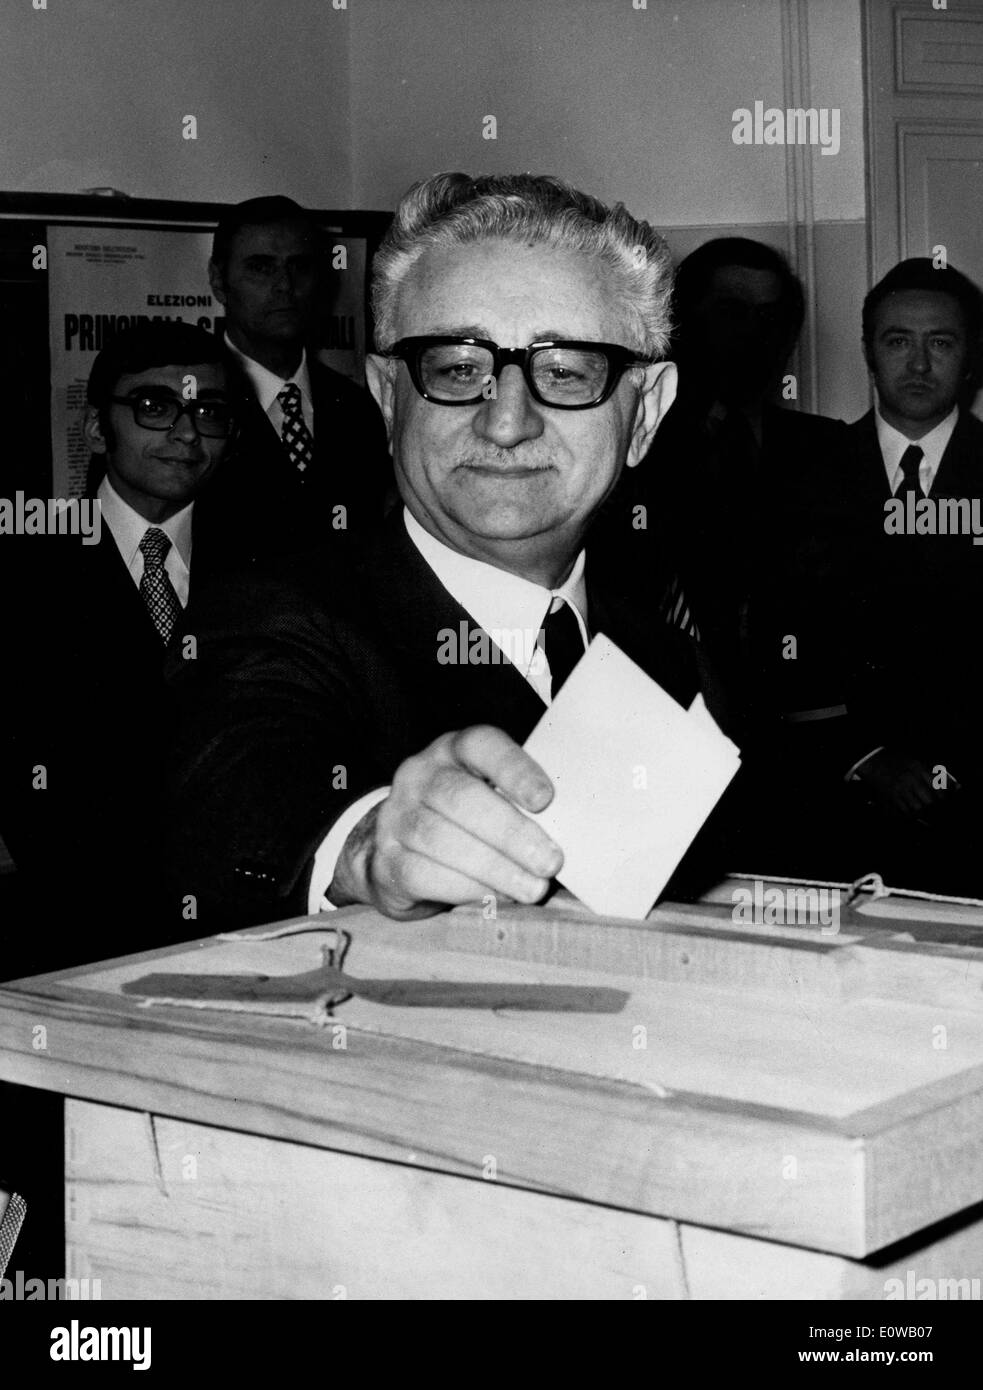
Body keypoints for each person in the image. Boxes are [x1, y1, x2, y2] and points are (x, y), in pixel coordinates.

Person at [166, 172, 734, 931]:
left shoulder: (673, 663)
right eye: (456, 369)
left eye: (565, 372)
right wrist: (366, 844)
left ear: (646, 413)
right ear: (387, 396)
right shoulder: (269, 619)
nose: (505, 422)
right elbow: (242, 793)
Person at [0, 322, 245, 973]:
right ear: (93, 429)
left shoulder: (275, 573)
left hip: (242, 937)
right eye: (154, 407)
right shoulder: (21, 569)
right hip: (66, 940)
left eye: (209, 413)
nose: (187, 435)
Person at [839, 258, 983, 891]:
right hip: (832, 810)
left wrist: (951, 769)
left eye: (941, 343)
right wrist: (866, 758)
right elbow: (772, 649)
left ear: (970, 356)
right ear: (869, 351)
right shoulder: (801, 477)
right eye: (899, 341)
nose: (919, 365)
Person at [202, 195, 392, 562]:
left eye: (300, 267)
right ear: (218, 280)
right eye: (260, 267)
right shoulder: (190, 405)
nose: (284, 286)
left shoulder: (357, 408)